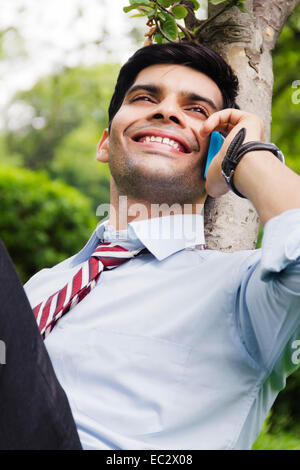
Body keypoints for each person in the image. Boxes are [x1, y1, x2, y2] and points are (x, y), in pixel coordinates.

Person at [1, 42, 300, 450]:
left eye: (197, 110)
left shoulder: (244, 292)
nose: (167, 111)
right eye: (145, 98)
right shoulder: (40, 288)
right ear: (105, 143)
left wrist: (245, 156)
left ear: (216, 152)